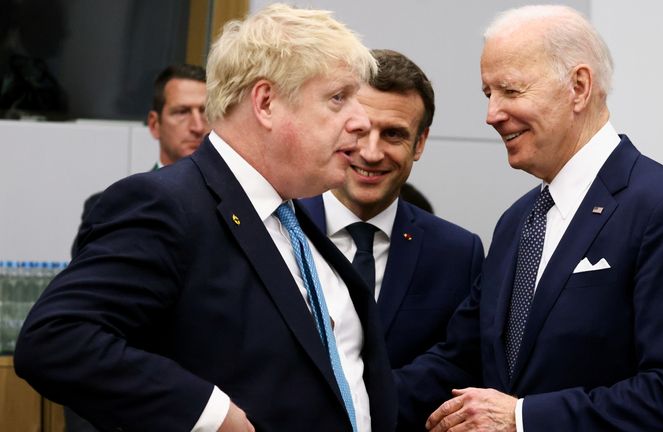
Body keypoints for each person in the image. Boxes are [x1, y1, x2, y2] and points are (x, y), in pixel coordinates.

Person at [15, 4, 396, 432]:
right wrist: (208, 414)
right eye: (338, 98)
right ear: (266, 102)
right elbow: (56, 340)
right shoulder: (167, 204)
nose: (362, 121)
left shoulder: (291, 215)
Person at [396, 5, 663, 431]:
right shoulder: (517, 222)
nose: (491, 114)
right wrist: (347, 402)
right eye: (488, 94)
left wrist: (521, 418)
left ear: (579, 86)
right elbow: (460, 357)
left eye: (511, 91)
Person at [299, 49, 484, 370]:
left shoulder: (456, 254)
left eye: (393, 134)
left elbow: (456, 365)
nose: (371, 153)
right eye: (358, 130)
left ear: (420, 143)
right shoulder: (276, 228)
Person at [72, 63, 209, 257]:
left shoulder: (236, 207)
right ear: (154, 124)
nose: (197, 126)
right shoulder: (114, 208)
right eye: (182, 112)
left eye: (206, 112)